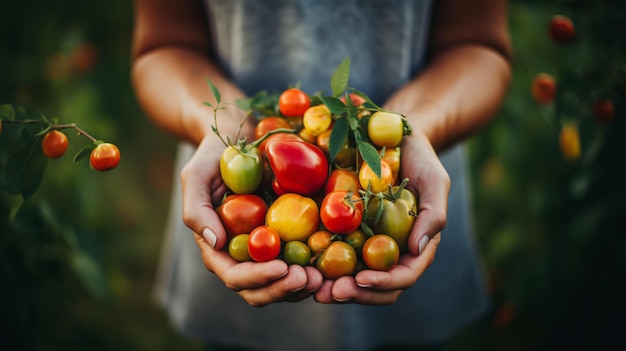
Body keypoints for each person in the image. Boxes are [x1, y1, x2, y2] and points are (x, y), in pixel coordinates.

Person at [131, 0, 512, 350]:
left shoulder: (351, 181)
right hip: (236, 295)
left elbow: (479, 45)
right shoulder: (279, 166)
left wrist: (416, 127)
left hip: (414, 231)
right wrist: (226, 126)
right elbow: (163, 46)